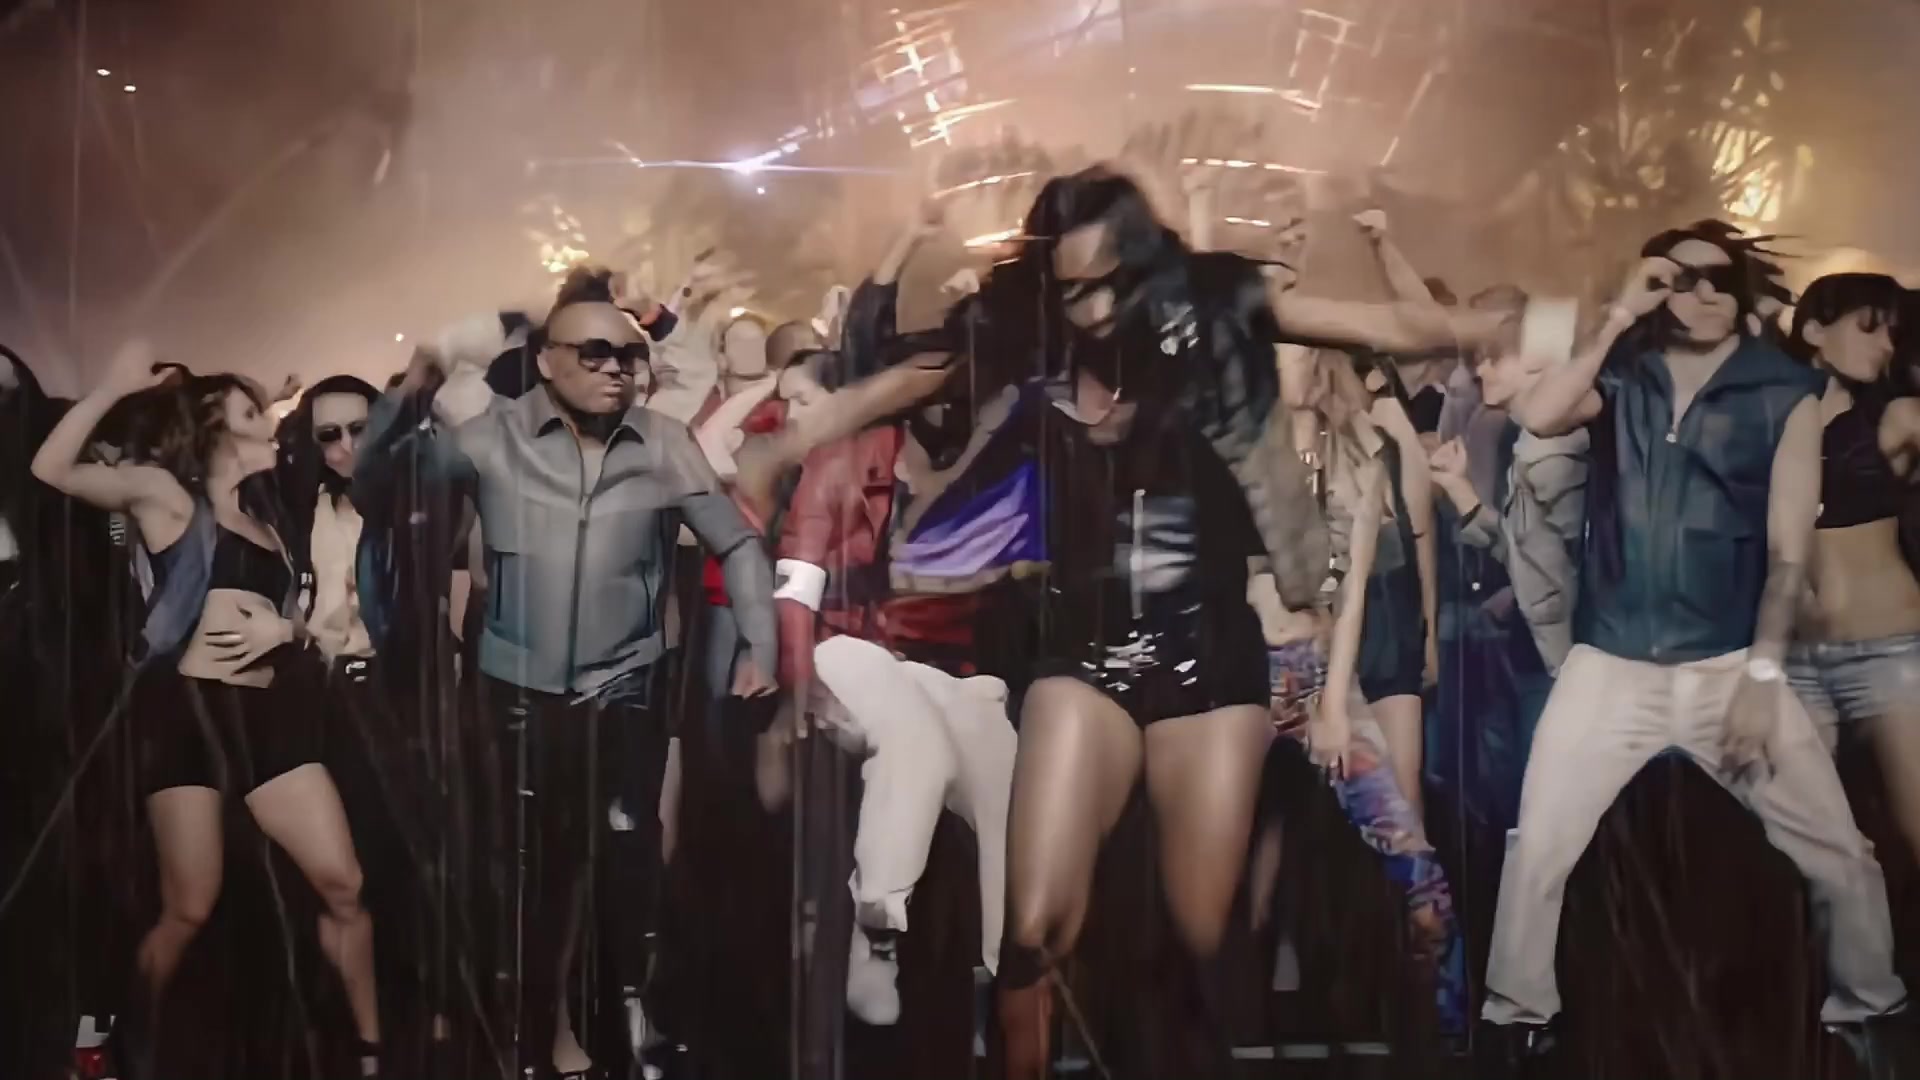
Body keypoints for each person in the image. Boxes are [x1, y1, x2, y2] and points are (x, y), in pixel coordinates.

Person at [870, 166, 1501, 1078]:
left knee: (1258, 918)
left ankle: (1427, 1029)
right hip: (1141, 663)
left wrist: (1349, 690)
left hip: (1269, 671)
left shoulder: (1329, 421)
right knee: (1092, 924)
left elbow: (1371, 559)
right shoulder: (1126, 388)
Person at [1481, 222, 1909, 1070]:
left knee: (1840, 855)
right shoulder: (1623, 375)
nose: (1704, 290)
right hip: (1610, 664)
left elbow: (1789, 555)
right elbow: (1536, 412)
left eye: (1719, 278)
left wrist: (1762, 674)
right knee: (1538, 846)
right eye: (1682, 278)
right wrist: (1615, 317)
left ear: (1740, 290)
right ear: (1658, 289)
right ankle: (1517, 1016)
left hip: (1725, 665)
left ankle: (1870, 1011)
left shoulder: (1784, 391)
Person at [355, 268, 777, 1078]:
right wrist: (417, 382)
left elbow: (737, 542)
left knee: (620, 863)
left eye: (629, 354)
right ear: (547, 361)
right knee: (529, 878)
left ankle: (617, 1025)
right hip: (514, 694)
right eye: (595, 353)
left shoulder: (664, 442)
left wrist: (760, 644)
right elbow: (376, 485)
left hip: (626, 686)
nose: (618, 367)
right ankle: (535, 1037)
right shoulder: (490, 438)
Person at [31, 344, 383, 1077]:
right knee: (189, 906)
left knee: (343, 883)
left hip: (265, 721)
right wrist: (110, 387)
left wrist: (284, 631)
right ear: (214, 428)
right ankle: (105, 1037)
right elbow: (52, 469)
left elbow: (301, 622)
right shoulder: (168, 498)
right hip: (188, 722)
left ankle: (372, 1052)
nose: (272, 422)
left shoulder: (267, 520)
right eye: (253, 411)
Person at [1247, 343, 1468, 1039]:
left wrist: (1334, 702)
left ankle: (1436, 1032)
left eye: (1300, 354)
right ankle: (1235, 1017)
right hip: (1238, 678)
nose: (1291, 367)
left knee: (1418, 871)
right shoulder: (1241, 460)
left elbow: (1350, 604)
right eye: (1278, 355)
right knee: (1242, 861)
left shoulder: (1361, 465)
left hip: (1317, 675)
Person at [1785, 272, 1920, 863]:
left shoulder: (1897, 417)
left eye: (1892, 333)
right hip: (1794, 661)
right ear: (1815, 331)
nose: (1886, 345)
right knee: (1815, 851)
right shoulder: (1764, 417)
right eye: (1869, 328)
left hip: (1889, 653)